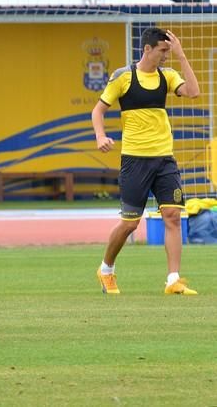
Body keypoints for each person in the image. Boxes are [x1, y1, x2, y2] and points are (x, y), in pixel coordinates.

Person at [92, 27, 200, 295]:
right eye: (163, 51)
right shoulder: (123, 77)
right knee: (130, 223)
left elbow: (194, 92)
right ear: (147, 49)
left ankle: (173, 280)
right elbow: (98, 110)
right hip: (134, 159)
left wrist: (181, 55)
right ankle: (106, 269)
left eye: (168, 51)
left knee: (173, 217)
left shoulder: (169, 76)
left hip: (164, 158)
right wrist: (100, 136)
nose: (166, 56)